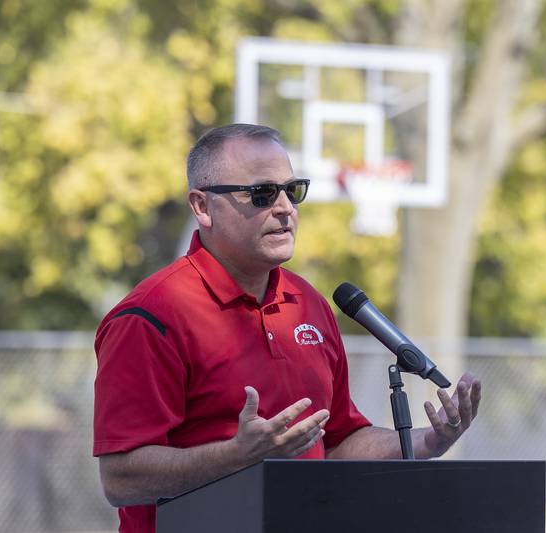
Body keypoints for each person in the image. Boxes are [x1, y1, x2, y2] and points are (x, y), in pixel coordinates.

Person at [93, 123, 482, 533]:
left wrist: (426, 443)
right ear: (202, 207)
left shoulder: (308, 304)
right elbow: (120, 479)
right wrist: (238, 454)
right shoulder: (151, 316)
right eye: (262, 194)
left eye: (292, 190)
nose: (285, 208)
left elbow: (335, 440)